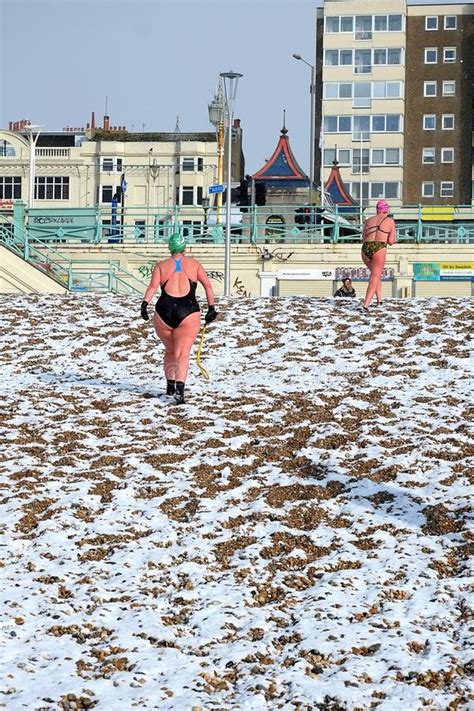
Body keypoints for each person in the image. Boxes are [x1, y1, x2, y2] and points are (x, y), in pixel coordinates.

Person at [140, 233, 217, 404]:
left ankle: (170, 387)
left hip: (163, 311)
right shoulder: (194, 265)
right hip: (187, 310)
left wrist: (144, 304)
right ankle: (180, 392)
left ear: (169, 247)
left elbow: (153, 286)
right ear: (184, 247)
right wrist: (212, 308)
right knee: (182, 353)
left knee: (169, 351)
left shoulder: (161, 266)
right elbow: (208, 287)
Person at [361, 199, 396, 310]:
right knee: (374, 277)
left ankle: (379, 300)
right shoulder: (390, 221)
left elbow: (363, 238)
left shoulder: (368, 220)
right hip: (379, 247)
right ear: (387, 210)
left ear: (377, 210)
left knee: (375, 275)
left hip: (366, 248)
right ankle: (366, 305)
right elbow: (391, 241)